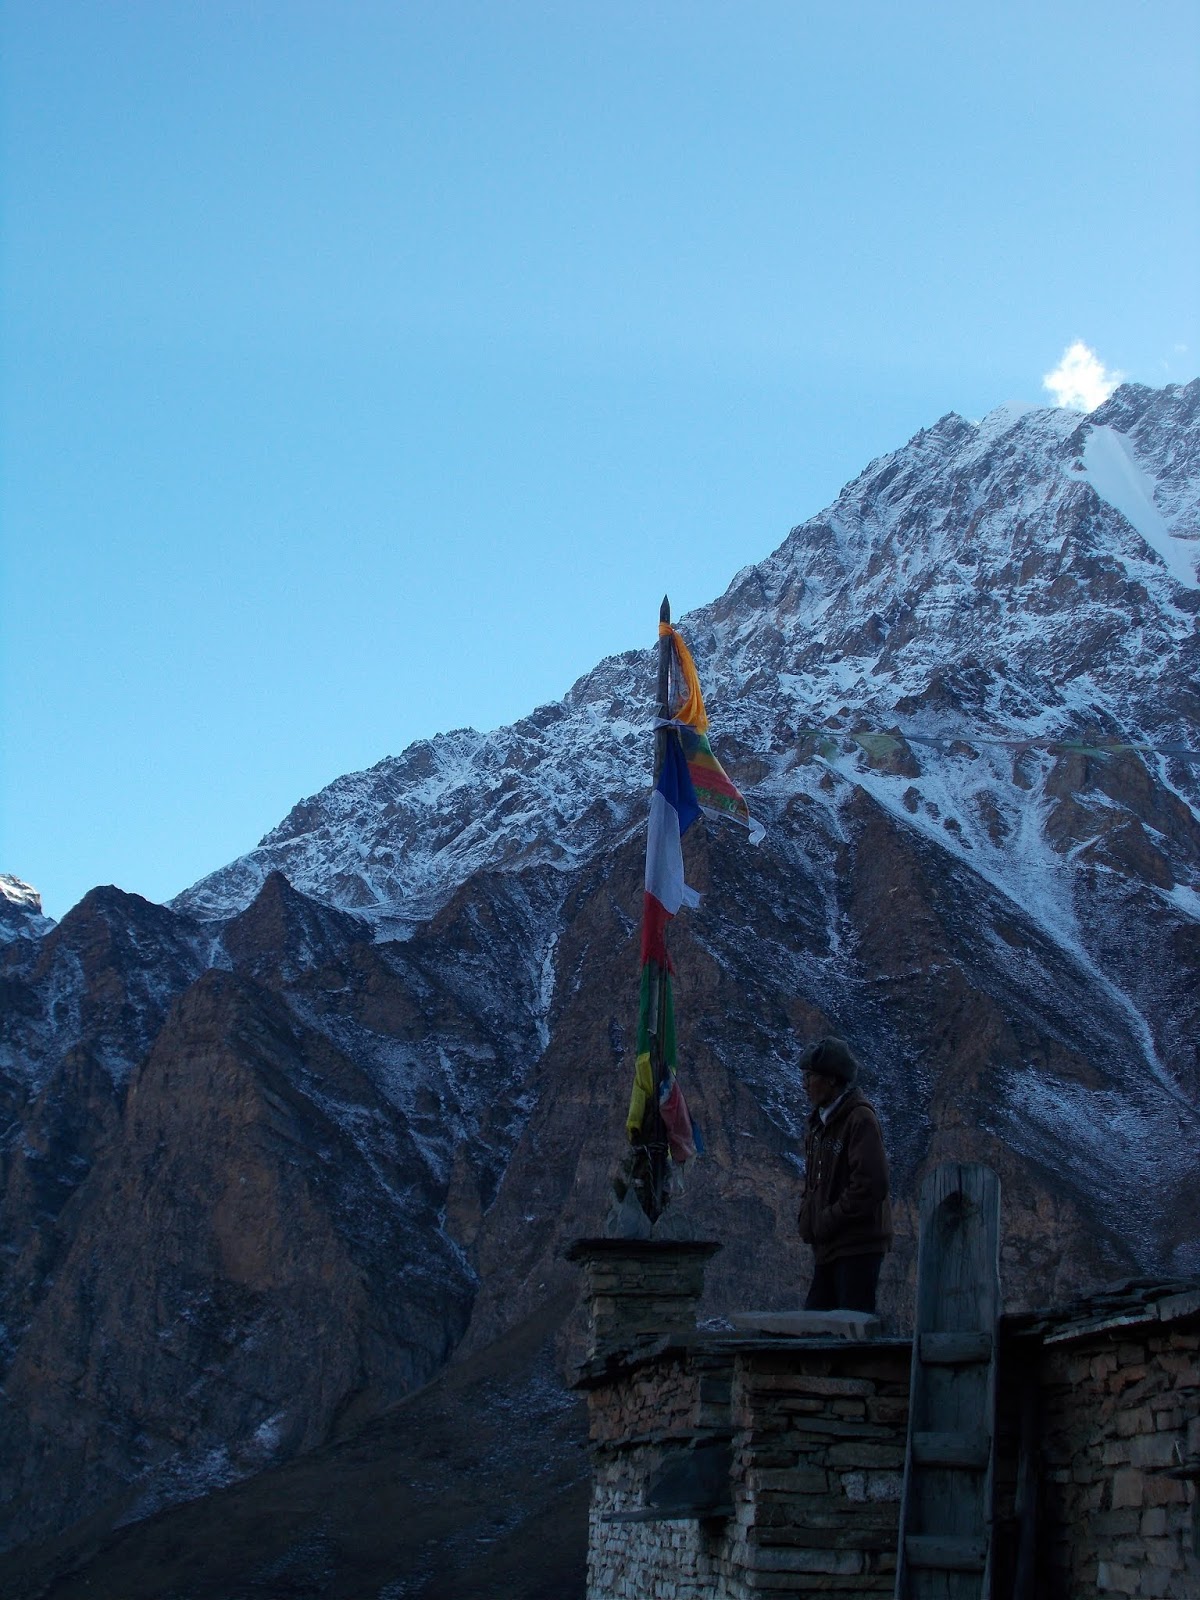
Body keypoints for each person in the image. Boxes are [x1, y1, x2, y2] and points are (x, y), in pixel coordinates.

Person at [796, 1036, 893, 1313]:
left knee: (849, 1326)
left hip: (857, 1246)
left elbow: (871, 1184)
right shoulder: (819, 1124)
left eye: (810, 1077)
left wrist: (828, 1219)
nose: (805, 1085)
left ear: (831, 1080)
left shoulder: (859, 1120)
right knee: (816, 1324)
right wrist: (808, 1217)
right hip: (829, 1247)